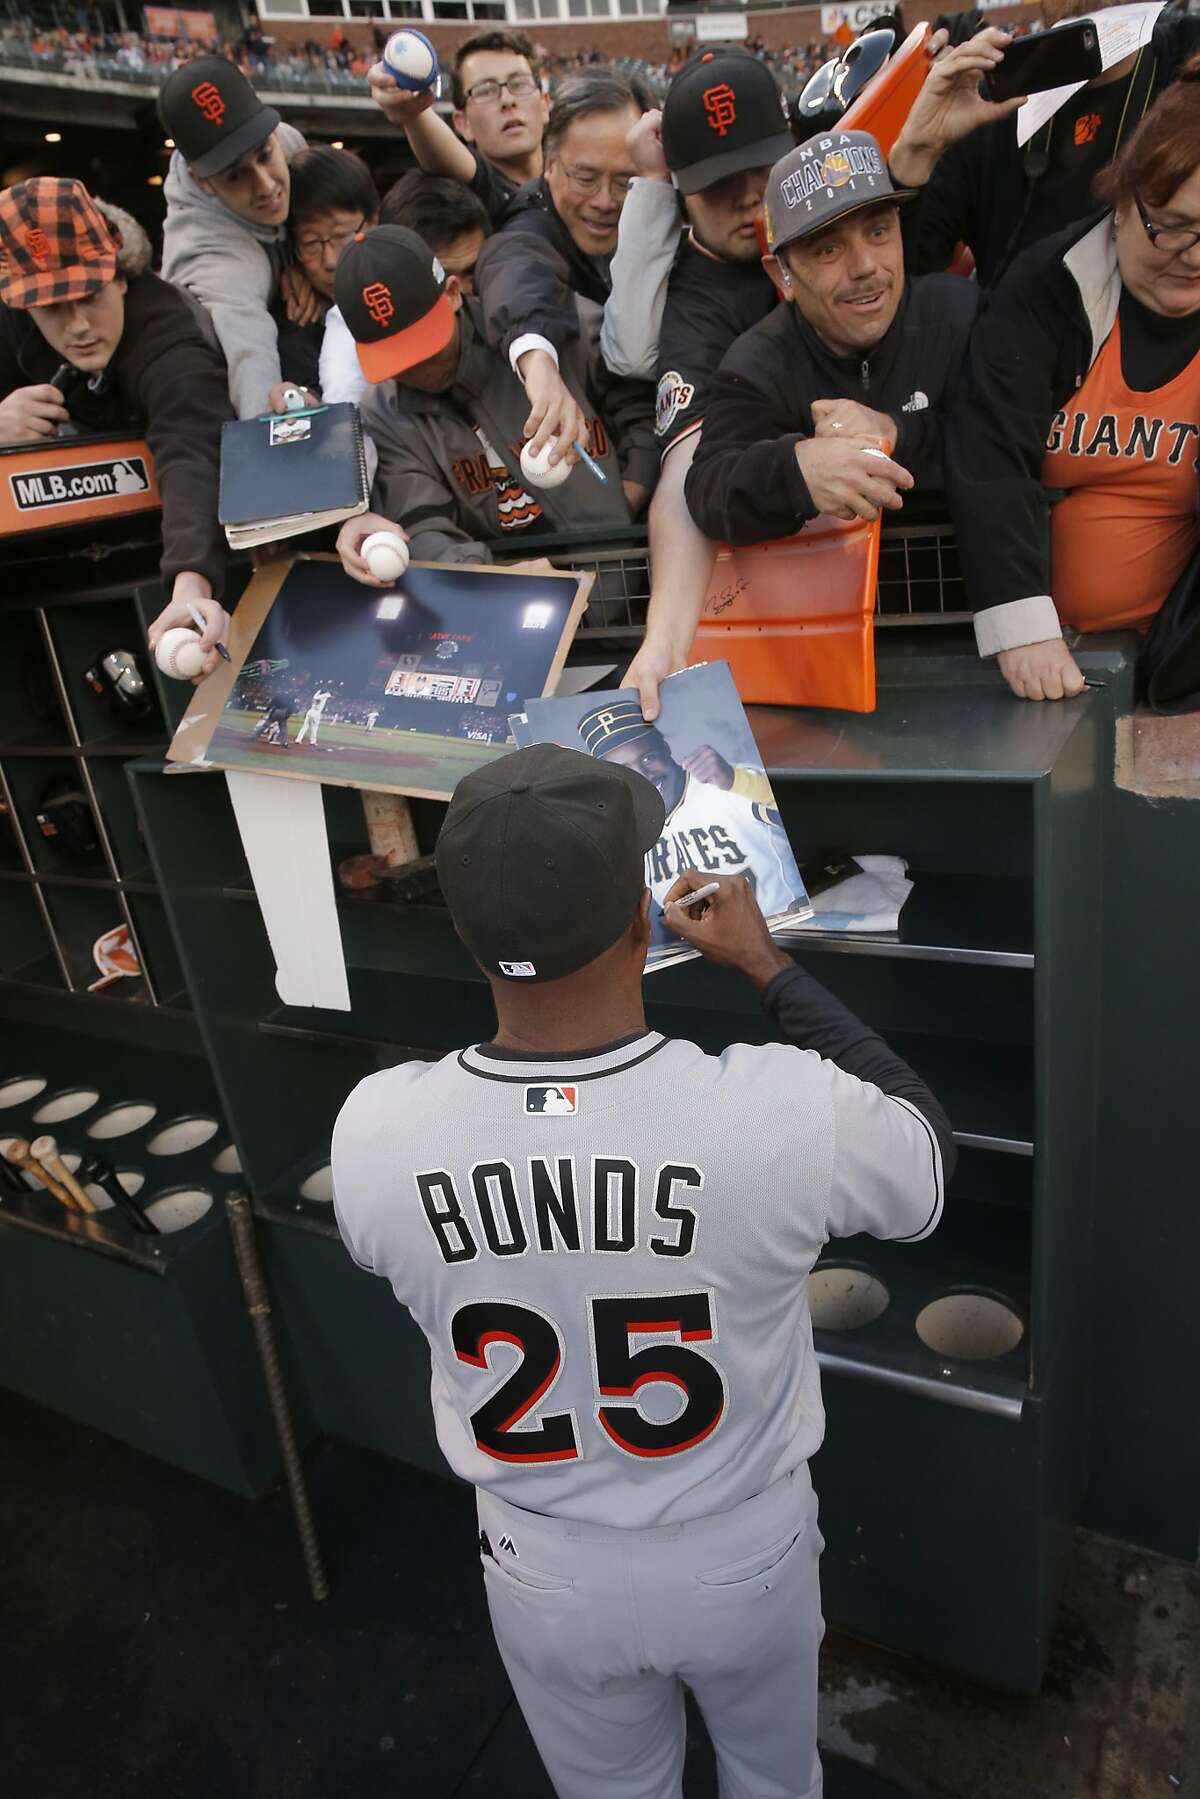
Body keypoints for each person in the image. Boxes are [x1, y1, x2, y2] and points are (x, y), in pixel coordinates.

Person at [331, 740, 953, 1799]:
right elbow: (926, 1158)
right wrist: (768, 963)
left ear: (468, 935)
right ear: (641, 920)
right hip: (738, 1548)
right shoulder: (772, 1108)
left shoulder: (374, 1129)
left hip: (542, 1562)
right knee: (773, 1782)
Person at [946, 61, 1200, 702]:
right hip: (1043, 666)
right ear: (1120, 200)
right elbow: (987, 448)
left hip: (1178, 666)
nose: (1193, 256)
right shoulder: (1047, 285)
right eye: (1169, 225)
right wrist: (1022, 623)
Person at [596, 50, 794, 719]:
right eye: (718, 181)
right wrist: (665, 639)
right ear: (680, 187)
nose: (745, 196)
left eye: (760, 168)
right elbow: (686, 467)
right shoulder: (696, 301)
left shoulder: (837, 222)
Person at [685, 130, 977, 555]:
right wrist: (799, 469)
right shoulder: (758, 360)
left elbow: (1017, 439)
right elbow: (708, 490)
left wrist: (896, 432)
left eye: (878, 233)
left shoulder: (959, 315)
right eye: (828, 250)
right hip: (824, 616)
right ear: (781, 276)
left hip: (961, 606)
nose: (864, 266)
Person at [0, 178, 231, 679]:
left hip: (170, 546)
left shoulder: (170, 337)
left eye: (89, 293)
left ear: (120, 273)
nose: (78, 324)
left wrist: (191, 585)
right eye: (52, 306)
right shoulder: (12, 311)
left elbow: (191, 448)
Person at [330, 226, 657, 573]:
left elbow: (642, 403)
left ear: (453, 294)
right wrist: (496, 579)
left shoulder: (539, 328)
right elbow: (424, 525)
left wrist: (637, 480)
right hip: (511, 597)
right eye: (399, 360)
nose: (419, 370)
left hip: (627, 570)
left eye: (425, 347)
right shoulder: (385, 412)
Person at [898, 0, 1200, 288]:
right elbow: (907, 281)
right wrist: (916, 149)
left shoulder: (1184, 74)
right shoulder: (983, 102)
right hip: (1018, 331)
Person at [475, 69, 653, 479]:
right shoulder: (527, 226)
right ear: (549, 164)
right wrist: (540, 366)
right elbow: (516, 268)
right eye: (586, 178)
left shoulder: (663, 210)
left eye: (626, 182)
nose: (605, 202)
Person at [578, 697, 805, 947]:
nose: (643, 775)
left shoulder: (726, 781)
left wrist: (735, 780)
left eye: (648, 757)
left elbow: (796, 806)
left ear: (665, 747)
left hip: (786, 932)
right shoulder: (626, 829)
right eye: (626, 770)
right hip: (709, 952)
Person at [158, 55, 310, 417]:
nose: (266, 184)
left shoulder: (289, 144)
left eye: (264, 154)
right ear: (201, 180)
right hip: (198, 400)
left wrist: (307, 262)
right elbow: (250, 354)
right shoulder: (209, 255)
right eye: (234, 175)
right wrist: (270, 427)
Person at [318, 173, 489, 414]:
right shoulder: (354, 318)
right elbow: (345, 404)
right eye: (445, 270)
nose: (465, 290)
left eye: (473, 270)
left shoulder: (518, 329)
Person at [367, 29, 548, 224]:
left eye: (519, 84)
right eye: (485, 91)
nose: (507, 100)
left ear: (545, 103)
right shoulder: (482, 194)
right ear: (463, 123)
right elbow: (458, 163)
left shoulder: (571, 170)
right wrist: (409, 107)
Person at [276, 146, 379, 398]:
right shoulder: (296, 333)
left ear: (375, 220)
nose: (331, 261)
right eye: (311, 243)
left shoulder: (414, 290)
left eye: (343, 236)